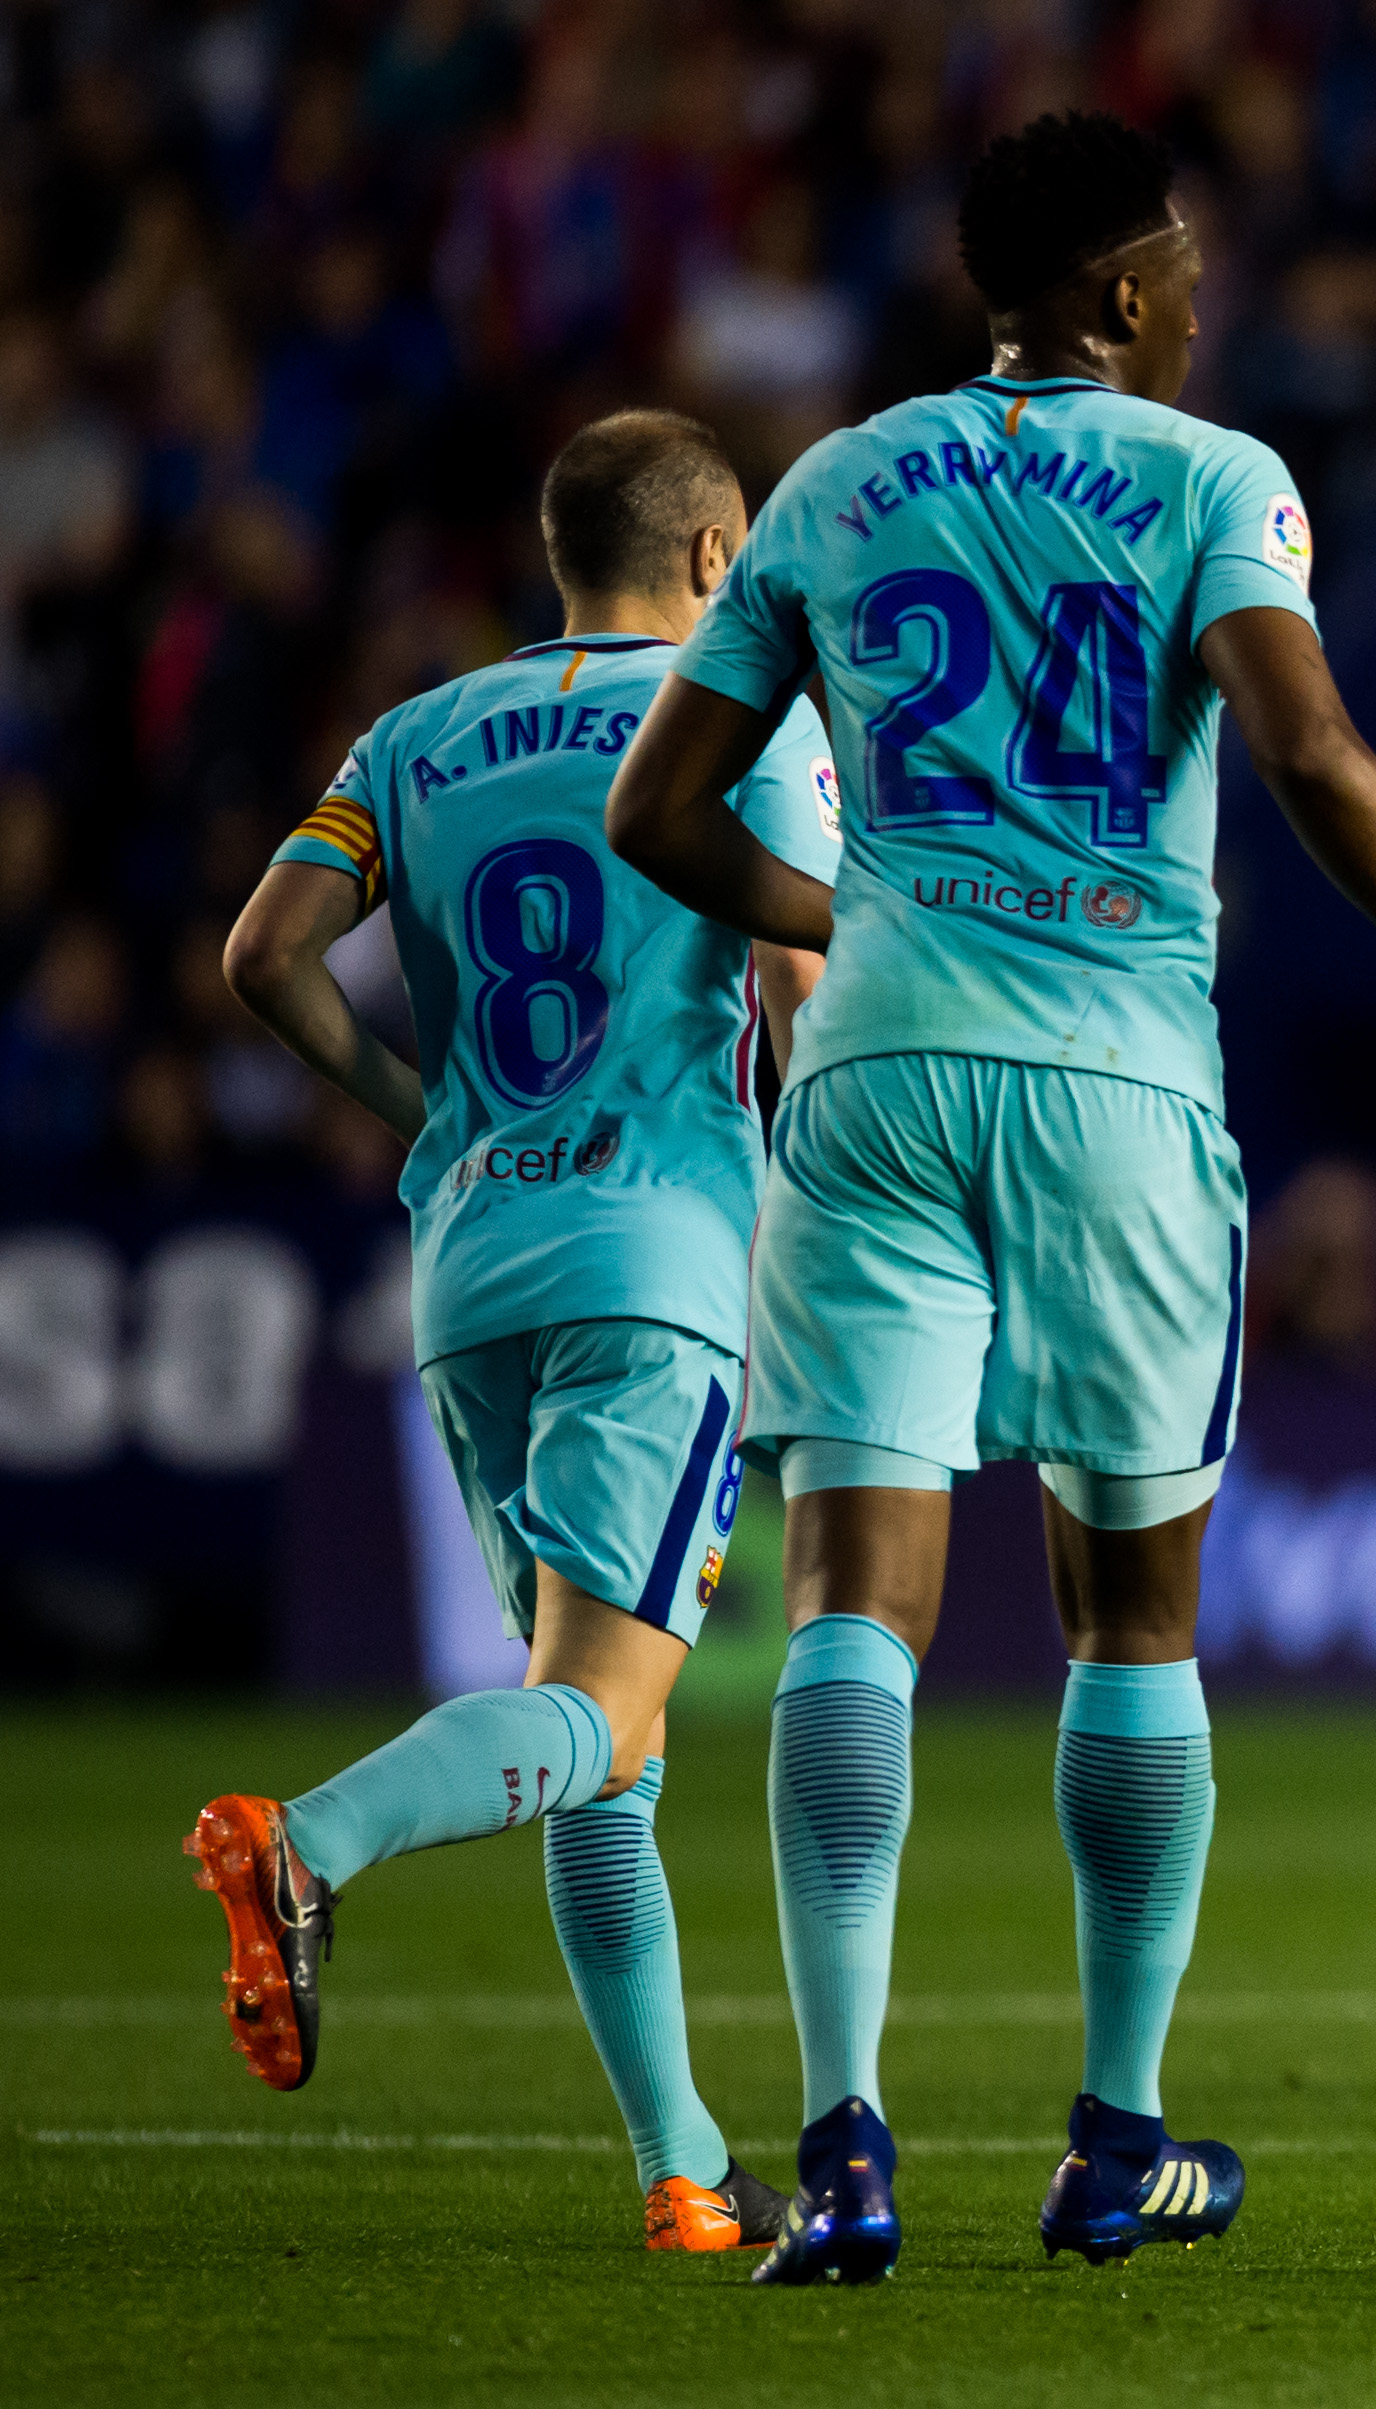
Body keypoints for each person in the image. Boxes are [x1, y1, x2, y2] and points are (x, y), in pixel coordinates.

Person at [604, 111, 1376, 2287]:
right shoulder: (1211, 477)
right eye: (1186, 260)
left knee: (854, 1599)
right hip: (1117, 1081)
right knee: (1129, 1614)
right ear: (1119, 293)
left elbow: (662, 805)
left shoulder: (842, 475)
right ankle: (1112, 2134)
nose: (1207, 290)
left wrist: (842, 919)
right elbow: (1307, 751)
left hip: (875, 1072)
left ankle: (839, 2144)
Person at [185, 408, 838, 2255]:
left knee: (592, 1749)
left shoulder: (420, 730)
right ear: (719, 558)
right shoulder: (749, 722)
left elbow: (261, 957)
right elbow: (799, 984)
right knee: (604, 1712)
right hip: (659, 1258)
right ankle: (304, 1842)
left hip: (473, 1267)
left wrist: (426, 1112)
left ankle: (688, 2177)